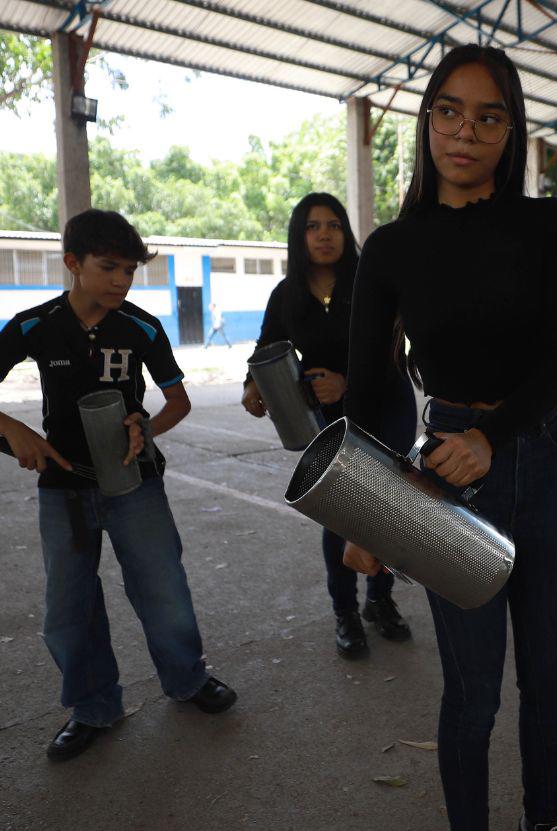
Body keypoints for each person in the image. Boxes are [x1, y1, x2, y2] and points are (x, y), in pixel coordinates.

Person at [342, 45, 557, 831]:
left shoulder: (548, 224)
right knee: (474, 691)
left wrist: (499, 432)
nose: (466, 131)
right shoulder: (391, 247)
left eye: (489, 116)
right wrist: (364, 516)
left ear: (512, 128)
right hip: (449, 470)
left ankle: (544, 823)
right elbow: (370, 389)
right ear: (426, 120)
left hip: (546, 460)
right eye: (449, 111)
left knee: (550, 676)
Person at [0, 209, 237, 762]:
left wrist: (145, 426)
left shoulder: (142, 327)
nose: (120, 282)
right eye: (108, 268)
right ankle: (92, 706)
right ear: (72, 263)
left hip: (134, 482)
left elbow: (179, 401)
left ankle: (187, 680)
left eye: (129, 271)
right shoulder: (33, 326)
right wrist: (11, 428)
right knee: (69, 605)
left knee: (164, 590)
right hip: (62, 486)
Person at [241, 193, 416, 659]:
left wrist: (348, 382)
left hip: (386, 405)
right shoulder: (287, 294)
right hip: (328, 418)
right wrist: (251, 386)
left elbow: (395, 351)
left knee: (387, 509)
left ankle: (380, 600)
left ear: (346, 233)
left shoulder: (372, 282)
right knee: (339, 514)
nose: (324, 234)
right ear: (300, 237)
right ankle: (345, 612)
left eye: (334, 225)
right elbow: (267, 346)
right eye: (313, 226)